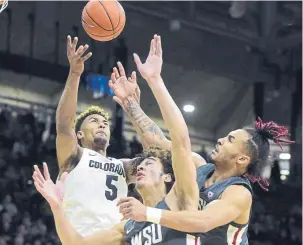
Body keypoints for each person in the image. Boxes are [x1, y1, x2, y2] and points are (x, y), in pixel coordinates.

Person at [109, 35, 295, 245]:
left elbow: (204, 222)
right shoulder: (199, 165)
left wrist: (148, 213)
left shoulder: (238, 193)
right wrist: (131, 105)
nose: (220, 140)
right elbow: (156, 142)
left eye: (230, 139)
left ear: (242, 159)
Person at [32, 34, 201, 245]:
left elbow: (159, 152)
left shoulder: (122, 166)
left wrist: (132, 107)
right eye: (93, 121)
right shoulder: (75, 156)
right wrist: (75, 74)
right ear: (80, 134)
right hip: (83, 237)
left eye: (105, 122)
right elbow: (64, 125)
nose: (102, 124)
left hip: (121, 236)